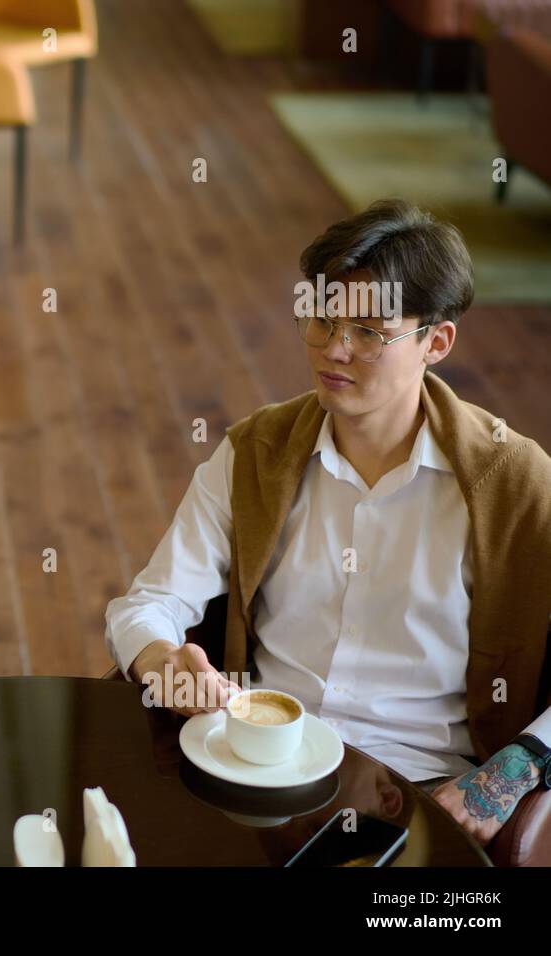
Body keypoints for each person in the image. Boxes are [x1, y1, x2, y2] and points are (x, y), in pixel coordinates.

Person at [105, 199, 551, 843]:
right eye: (321, 317)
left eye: (369, 331)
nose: (334, 348)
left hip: (415, 795)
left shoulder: (516, 484)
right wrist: (164, 660)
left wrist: (518, 766)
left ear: (436, 341)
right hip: (256, 768)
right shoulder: (256, 453)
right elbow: (145, 603)